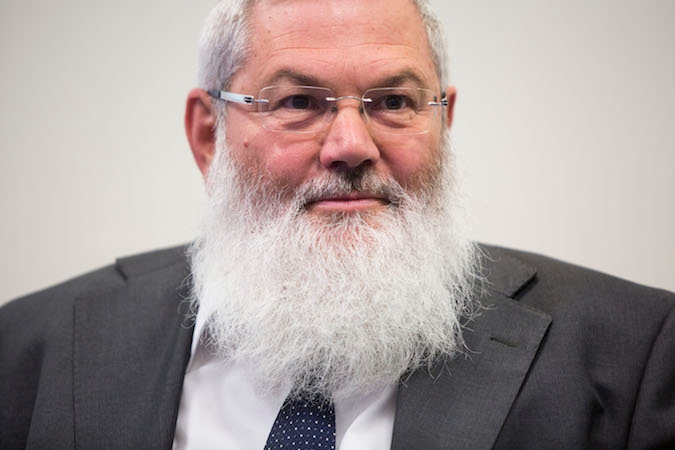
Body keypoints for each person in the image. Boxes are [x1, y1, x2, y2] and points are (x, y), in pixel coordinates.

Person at [1, 0, 673, 448]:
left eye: (392, 101)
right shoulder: (28, 349)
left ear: (442, 122)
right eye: (298, 101)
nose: (351, 144)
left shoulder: (632, 350)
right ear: (209, 135)